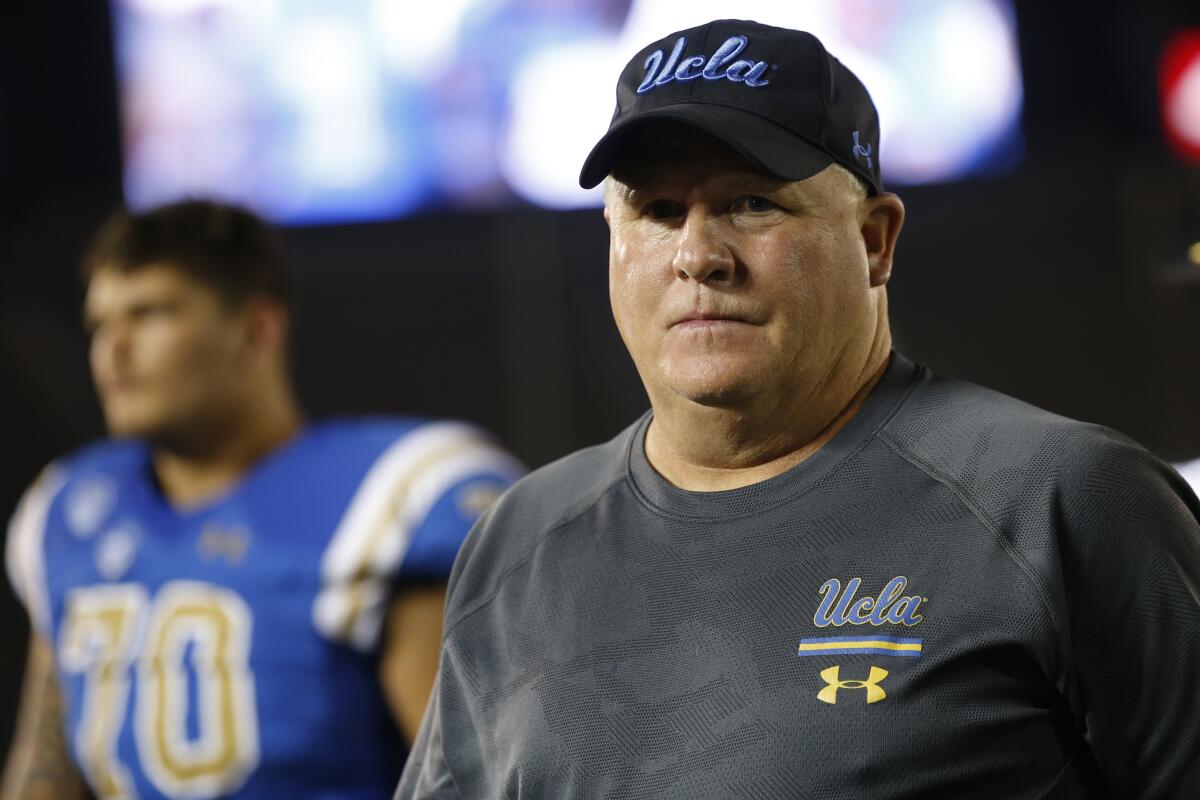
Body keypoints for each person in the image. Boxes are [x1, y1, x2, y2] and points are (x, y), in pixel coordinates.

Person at [396, 19, 1200, 799]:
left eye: (753, 203)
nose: (698, 255)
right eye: (657, 211)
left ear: (876, 240)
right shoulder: (519, 540)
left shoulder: (1067, 500)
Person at [1, 199, 524, 800]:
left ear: (256, 331)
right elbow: (43, 776)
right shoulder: (69, 513)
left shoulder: (385, 498)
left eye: (149, 313)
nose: (113, 350)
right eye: (99, 324)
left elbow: (476, 782)